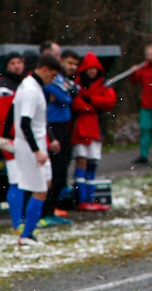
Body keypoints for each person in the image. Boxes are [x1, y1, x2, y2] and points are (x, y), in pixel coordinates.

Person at [12, 53, 64, 246]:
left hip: (38, 143)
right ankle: (26, 235)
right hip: (30, 147)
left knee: (46, 184)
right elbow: (25, 123)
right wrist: (36, 150)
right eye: (52, 75)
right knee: (39, 189)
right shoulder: (30, 91)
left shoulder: (33, 86)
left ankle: (29, 230)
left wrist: (48, 140)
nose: (53, 80)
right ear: (44, 70)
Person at [71, 51, 116, 212]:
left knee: (92, 164)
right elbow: (76, 104)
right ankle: (81, 199)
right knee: (81, 162)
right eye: (89, 68)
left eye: (94, 68)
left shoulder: (102, 84)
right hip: (80, 128)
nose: (92, 72)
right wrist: (93, 106)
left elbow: (109, 101)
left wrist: (92, 100)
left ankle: (89, 199)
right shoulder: (77, 85)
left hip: (94, 129)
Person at [42, 49, 80, 224]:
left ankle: (52, 209)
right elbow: (65, 97)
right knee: (54, 170)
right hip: (52, 126)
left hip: (64, 126)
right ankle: (44, 211)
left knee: (62, 170)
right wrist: (67, 94)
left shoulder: (64, 79)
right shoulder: (50, 79)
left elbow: (72, 93)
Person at [0, 52, 25, 231]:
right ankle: (17, 222)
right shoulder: (3, 87)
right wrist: (15, 137)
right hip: (11, 140)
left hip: (23, 138)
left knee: (24, 180)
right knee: (16, 180)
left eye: (19, 62)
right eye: (13, 62)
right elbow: (4, 116)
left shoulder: (20, 84)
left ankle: (23, 219)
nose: (17, 66)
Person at [127, 44, 152, 164]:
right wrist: (133, 72)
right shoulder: (144, 69)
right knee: (145, 129)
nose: (149, 56)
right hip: (146, 105)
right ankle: (144, 155)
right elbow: (135, 81)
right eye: (148, 54)